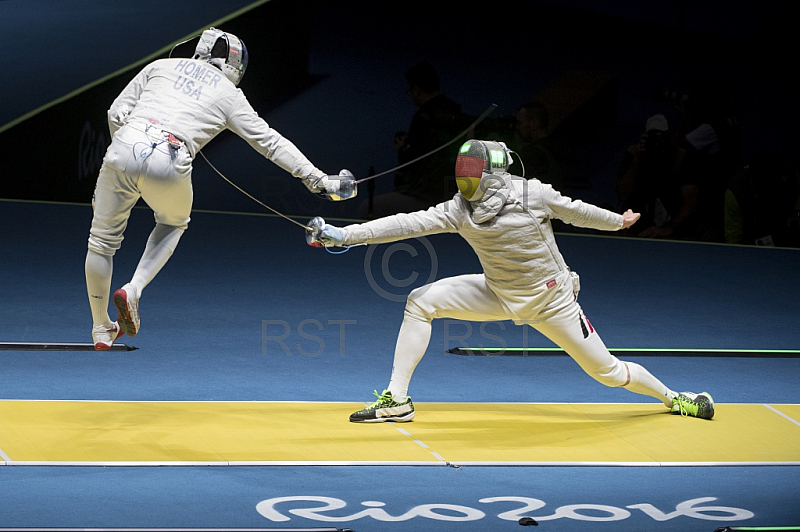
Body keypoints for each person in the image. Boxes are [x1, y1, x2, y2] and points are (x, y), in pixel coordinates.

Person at [310, 139, 714, 423]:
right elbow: (578, 212)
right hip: (500, 292)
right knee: (421, 300)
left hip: (551, 304)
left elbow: (405, 225)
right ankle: (397, 399)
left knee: (607, 371)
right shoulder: (505, 198)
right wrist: (620, 222)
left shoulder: (486, 203)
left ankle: (676, 399)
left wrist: (345, 234)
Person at [86, 27, 355, 350]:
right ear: (235, 66)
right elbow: (269, 143)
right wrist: (319, 180)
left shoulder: (159, 66)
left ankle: (101, 328)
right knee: (173, 222)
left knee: (101, 241)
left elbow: (115, 113)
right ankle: (135, 289)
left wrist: (122, 160)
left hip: (124, 145)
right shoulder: (230, 95)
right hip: (170, 158)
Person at [361, 62, 467, 218]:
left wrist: (403, 149)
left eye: (410, 90)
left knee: (367, 208)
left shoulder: (424, 118)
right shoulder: (456, 113)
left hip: (427, 196)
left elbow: (413, 162)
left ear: (416, 90)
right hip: (452, 194)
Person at [615, 114, 702, 240]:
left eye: (661, 137)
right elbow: (624, 194)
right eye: (652, 137)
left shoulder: (682, 158)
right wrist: (637, 159)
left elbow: (691, 200)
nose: (657, 143)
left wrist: (669, 228)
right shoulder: (635, 153)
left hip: (673, 229)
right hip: (639, 227)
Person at [724, 151, 800, 247]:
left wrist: (796, 213)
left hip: (784, 230)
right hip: (753, 241)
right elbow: (733, 237)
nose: (778, 182)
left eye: (778, 180)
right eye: (770, 183)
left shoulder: (790, 175)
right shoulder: (736, 192)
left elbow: (798, 194)